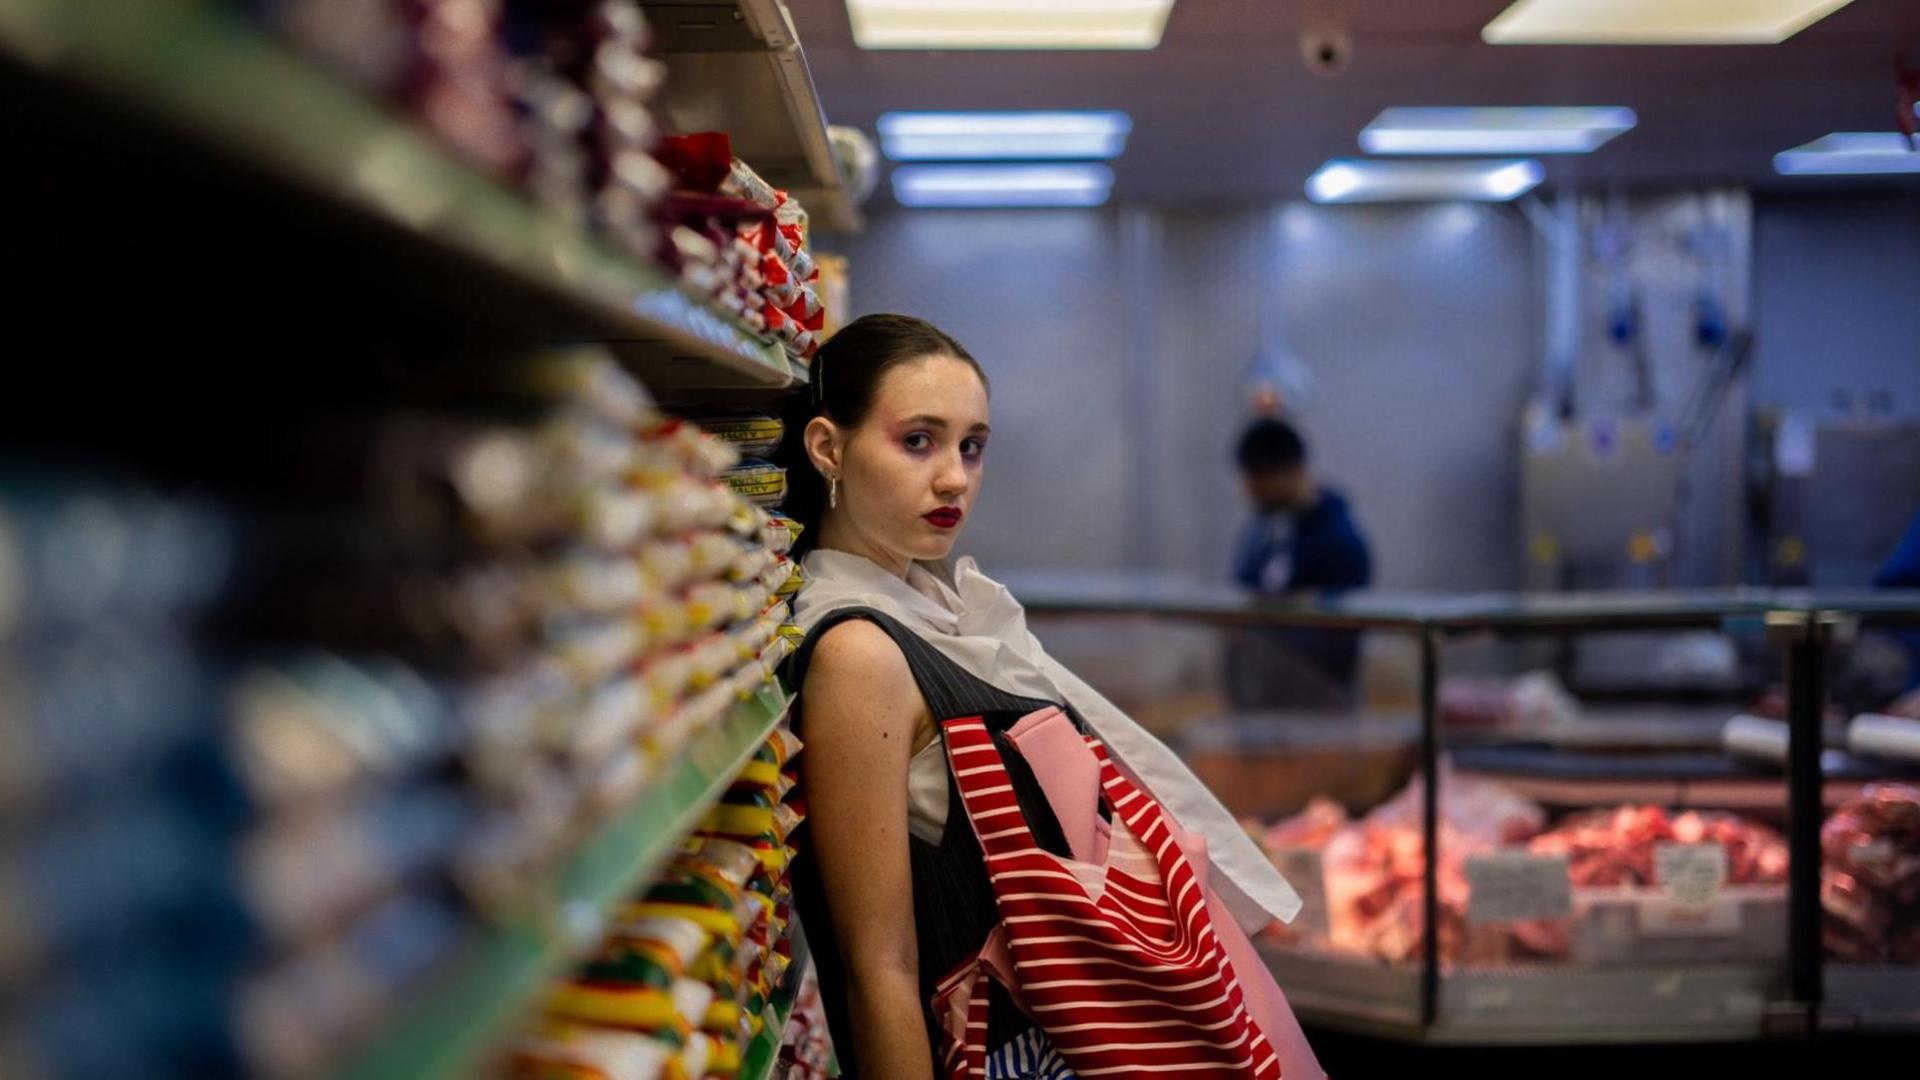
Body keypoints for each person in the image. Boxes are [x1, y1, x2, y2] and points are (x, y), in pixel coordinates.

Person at [777, 314, 1323, 1080]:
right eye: (918, 441)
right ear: (829, 447)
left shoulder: (934, 616)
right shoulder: (859, 653)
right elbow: (882, 969)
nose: (954, 478)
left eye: (972, 446)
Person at [1226, 418, 1373, 706]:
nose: (1251, 492)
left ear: (1292, 472)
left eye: (1261, 480)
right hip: (1262, 699)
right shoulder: (1265, 530)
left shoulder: (1338, 539)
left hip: (1319, 701)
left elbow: (1339, 634)